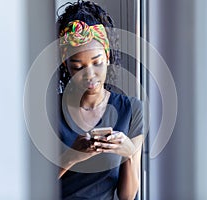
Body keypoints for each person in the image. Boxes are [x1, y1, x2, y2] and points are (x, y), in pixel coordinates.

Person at [52, 1, 144, 199]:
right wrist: (70, 157)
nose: (90, 75)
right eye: (78, 67)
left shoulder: (131, 110)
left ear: (108, 56)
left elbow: (127, 196)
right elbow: (30, 187)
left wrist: (128, 154)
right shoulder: (49, 110)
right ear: (65, 65)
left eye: (97, 63)